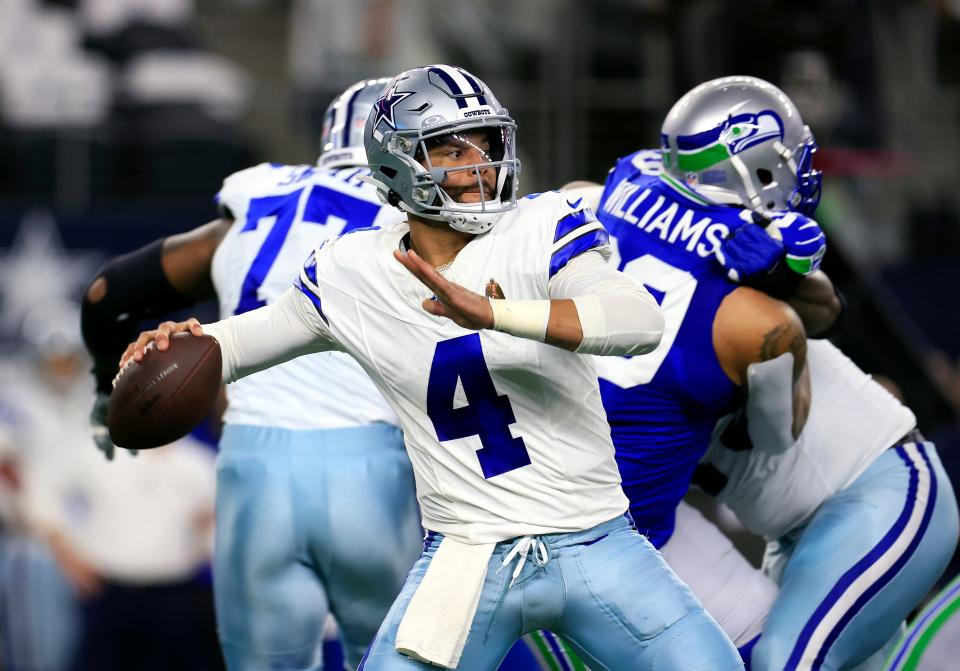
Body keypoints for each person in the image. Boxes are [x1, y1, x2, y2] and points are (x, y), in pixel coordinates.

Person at [118, 64, 744, 671]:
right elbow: (238, 344)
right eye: (448, 148)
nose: (478, 162)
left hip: (597, 541)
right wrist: (180, 340)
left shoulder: (541, 225)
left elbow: (638, 321)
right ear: (396, 164)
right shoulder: (350, 271)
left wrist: (501, 314)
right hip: (468, 559)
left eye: (487, 141)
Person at [584, 75, 957, 670]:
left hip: (878, 487)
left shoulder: (725, 304)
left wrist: (779, 277)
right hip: (800, 526)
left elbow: (809, 332)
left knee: (788, 663)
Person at [81, 79, 423, 670]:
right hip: (372, 469)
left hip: (253, 471)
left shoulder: (257, 202)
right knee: (403, 660)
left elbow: (105, 293)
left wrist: (103, 391)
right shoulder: (425, 224)